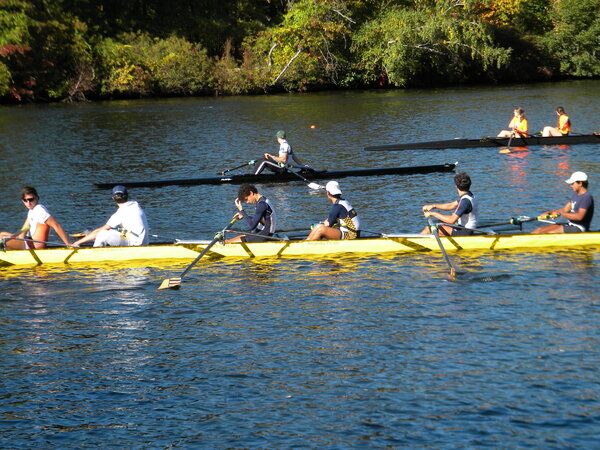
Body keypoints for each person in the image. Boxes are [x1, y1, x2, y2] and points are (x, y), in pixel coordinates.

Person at [72, 185, 148, 247]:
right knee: (112, 230)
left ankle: (95, 253)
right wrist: (89, 235)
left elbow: (99, 231)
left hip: (136, 244)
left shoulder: (120, 213)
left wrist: (78, 242)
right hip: (141, 240)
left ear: (113, 198)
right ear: (127, 196)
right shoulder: (135, 205)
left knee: (102, 234)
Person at [0, 186, 72, 249]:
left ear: (37, 198)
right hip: (27, 241)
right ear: (23, 201)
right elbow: (23, 231)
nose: (28, 203)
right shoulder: (31, 210)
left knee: (1, 239)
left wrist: (68, 244)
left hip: (34, 245)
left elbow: (56, 225)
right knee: (2, 234)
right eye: (25, 200)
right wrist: (12, 239)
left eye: (31, 199)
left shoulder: (40, 210)